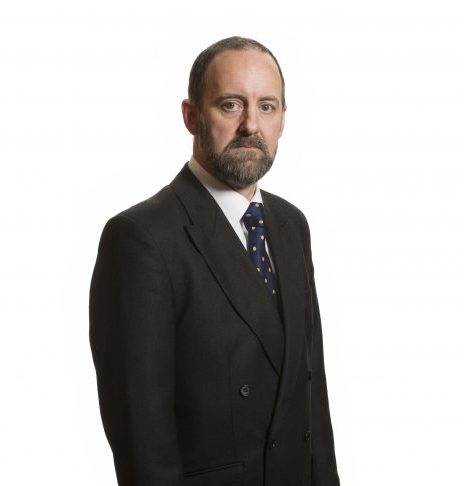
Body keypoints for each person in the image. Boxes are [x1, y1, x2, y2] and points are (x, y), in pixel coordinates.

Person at [89, 36, 340, 486]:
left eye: (267, 106)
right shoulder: (141, 238)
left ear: (283, 119)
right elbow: (142, 441)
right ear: (191, 116)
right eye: (231, 105)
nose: (251, 125)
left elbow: (310, 396)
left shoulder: (291, 225)